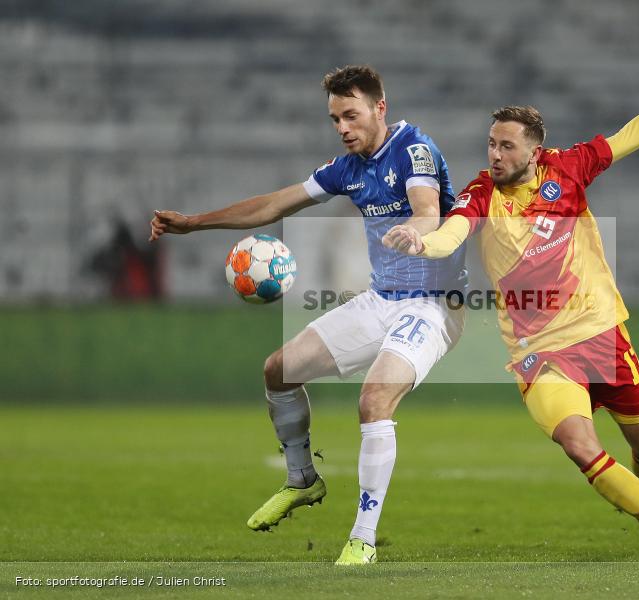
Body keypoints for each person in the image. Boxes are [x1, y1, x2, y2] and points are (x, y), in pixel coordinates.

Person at [383, 47, 639, 563]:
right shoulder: (480, 194)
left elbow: (633, 133)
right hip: (540, 349)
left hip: (598, 330)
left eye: (506, 146)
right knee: (580, 446)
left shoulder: (568, 169)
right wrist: (421, 242)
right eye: (491, 144)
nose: (495, 155)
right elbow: (450, 233)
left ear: (534, 151)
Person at [149, 65, 467, 565]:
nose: (342, 127)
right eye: (336, 118)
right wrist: (194, 223)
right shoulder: (347, 167)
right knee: (278, 370)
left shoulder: (414, 149)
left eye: (351, 115)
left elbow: (427, 207)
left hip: (433, 305)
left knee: (374, 400)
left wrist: (417, 231)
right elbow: (275, 204)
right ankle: (301, 479)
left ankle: (362, 537)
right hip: (381, 299)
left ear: (380, 108)